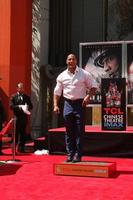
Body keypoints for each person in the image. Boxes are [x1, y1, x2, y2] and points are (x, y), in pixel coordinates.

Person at [53, 54, 97, 162]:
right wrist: (55, 105)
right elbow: (57, 92)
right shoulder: (61, 76)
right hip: (67, 104)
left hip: (79, 104)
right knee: (68, 131)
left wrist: (88, 96)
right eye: (69, 59)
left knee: (79, 131)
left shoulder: (84, 74)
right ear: (66, 61)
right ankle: (70, 154)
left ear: (76, 61)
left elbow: (94, 86)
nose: (71, 61)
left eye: (73, 59)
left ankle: (78, 154)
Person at [9, 82, 33, 153]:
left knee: (23, 133)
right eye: (20, 87)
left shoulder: (26, 97)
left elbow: (31, 106)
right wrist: (19, 107)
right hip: (16, 117)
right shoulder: (13, 96)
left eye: (22, 87)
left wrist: (27, 107)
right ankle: (14, 148)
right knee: (15, 133)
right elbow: (11, 106)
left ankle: (21, 148)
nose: (21, 89)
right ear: (17, 88)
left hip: (24, 118)